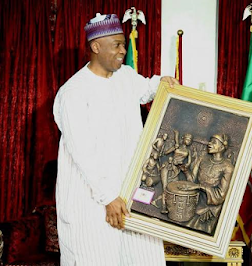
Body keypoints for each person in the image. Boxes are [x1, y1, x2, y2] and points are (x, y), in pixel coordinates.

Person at [53, 13, 179, 266]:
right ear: (95, 47)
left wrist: (161, 82)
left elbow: (145, 88)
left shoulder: (125, 76)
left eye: (123, 44)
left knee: (143, 259)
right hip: (92, 202)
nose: (123, 50)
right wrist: (109, 197)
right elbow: (83, 153)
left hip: (133, 193)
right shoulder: (73, 93)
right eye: (117, 45)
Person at [182, 134, 234, 234]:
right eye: (210, 141)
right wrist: (186, 171)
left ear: (222, 147)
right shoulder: (202, 159)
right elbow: (192, 181)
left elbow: (221, 194)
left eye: (214, 142)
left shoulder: (228, 167)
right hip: (195, 201)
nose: (209, 143)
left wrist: (202, 187)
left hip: (209, 207)